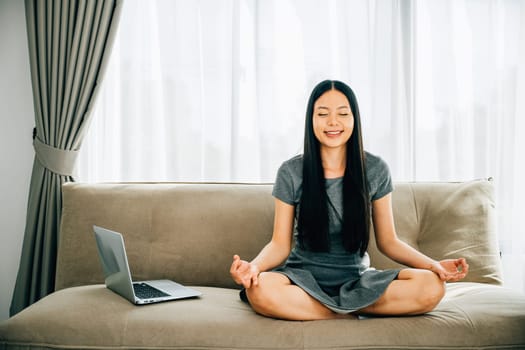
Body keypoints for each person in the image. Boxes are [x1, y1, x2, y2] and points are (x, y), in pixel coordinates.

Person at [230, 80, 469, 321]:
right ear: (310, 120)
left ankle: (326, 311)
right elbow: (279, 244)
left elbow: (389, 242)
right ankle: (347, 314)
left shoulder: (375, 169)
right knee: (260, 289)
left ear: (354, 119)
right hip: (303, 280)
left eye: (343, 113)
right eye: (323, 114)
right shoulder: (291, 172)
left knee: (431, 286)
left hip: (357, 280)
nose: (333, 122)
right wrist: (255, 267)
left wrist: (433, 266)